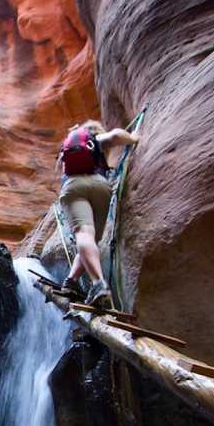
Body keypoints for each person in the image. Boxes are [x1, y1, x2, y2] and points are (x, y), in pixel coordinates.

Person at [58, 120, 139, 309]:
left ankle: (98, 284)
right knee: (90, 240)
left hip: (74, 186)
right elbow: (116, 136)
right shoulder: (96, 141)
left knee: (83, 234)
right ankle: (72, 281)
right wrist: (133, 138)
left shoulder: (77, 143)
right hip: (101, 186)